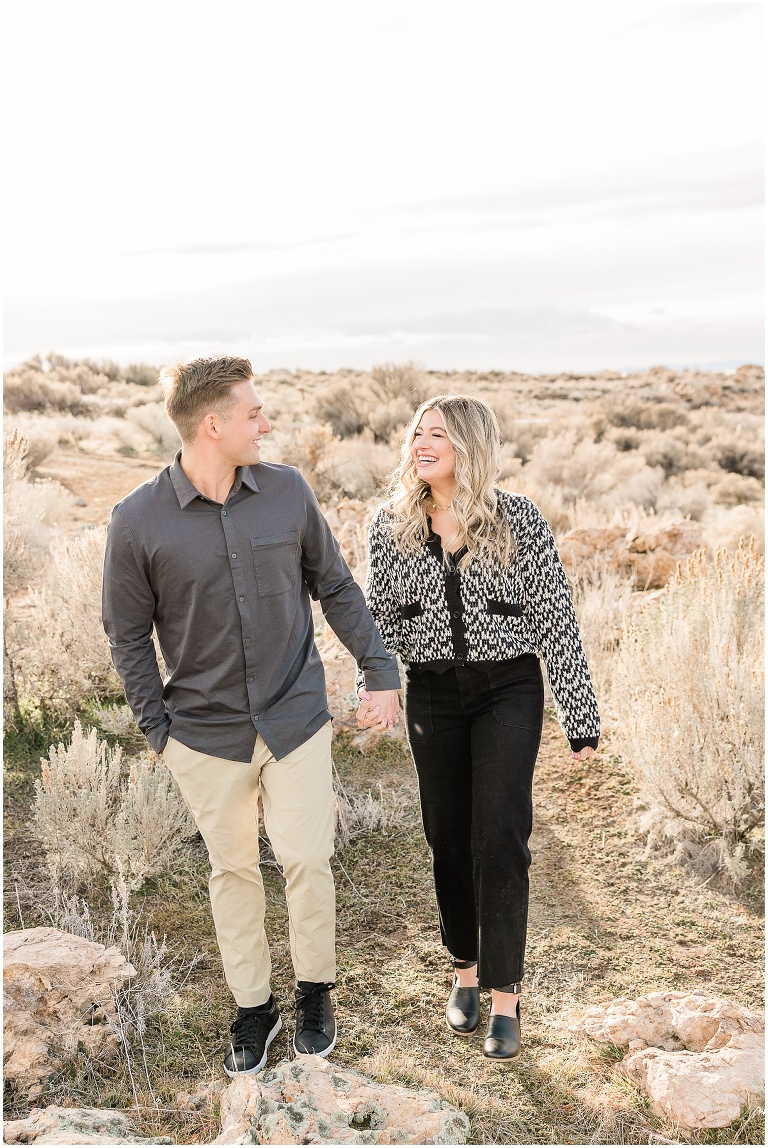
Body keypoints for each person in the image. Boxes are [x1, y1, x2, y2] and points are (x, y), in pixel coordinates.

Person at [102, 356, 400, 1077]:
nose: (266, 423)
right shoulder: (137, 521)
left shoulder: (288, 493)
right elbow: (127, 636)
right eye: (254, 413)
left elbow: (333, 584)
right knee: (232, 871)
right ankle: (254, 1008)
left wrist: (380, 671)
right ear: (213, 425)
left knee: (307, 859)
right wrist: (160, 734)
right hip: (203, 736)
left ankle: (317, 996)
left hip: (295, 717)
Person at [355, 394, 600, 1062]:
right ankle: (464, 970)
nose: (422, 444)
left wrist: (580, 717)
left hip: (507, 689)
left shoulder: (518, 520)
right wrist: (374, 689)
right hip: (433, 693)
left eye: (438, 434)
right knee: (447, 839)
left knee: (500, 836)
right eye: (417, 434)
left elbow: (555, 620)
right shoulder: (389, 525)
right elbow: (375, 622)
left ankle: (504, 998)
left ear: (470, 445)